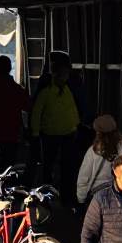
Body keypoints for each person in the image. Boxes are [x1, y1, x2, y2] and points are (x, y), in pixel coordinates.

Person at [31, 61, 80, 202]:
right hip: (50, 134)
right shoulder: (47, 92)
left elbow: (72, 110)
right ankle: (45, 194)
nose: (67, 77)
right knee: (48, 164)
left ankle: (65, 194)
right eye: (65, 74)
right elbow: (36, 113)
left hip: (67, 133)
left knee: (66, 165)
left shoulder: (66, 90)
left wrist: (75, 126)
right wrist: (35, 133)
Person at [76, 115, 122, 206]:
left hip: (96, 195)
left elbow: (84, 175)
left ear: (98, 133)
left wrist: (81, 198)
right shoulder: (121, 146)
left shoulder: (93, 150)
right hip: (115, 192)